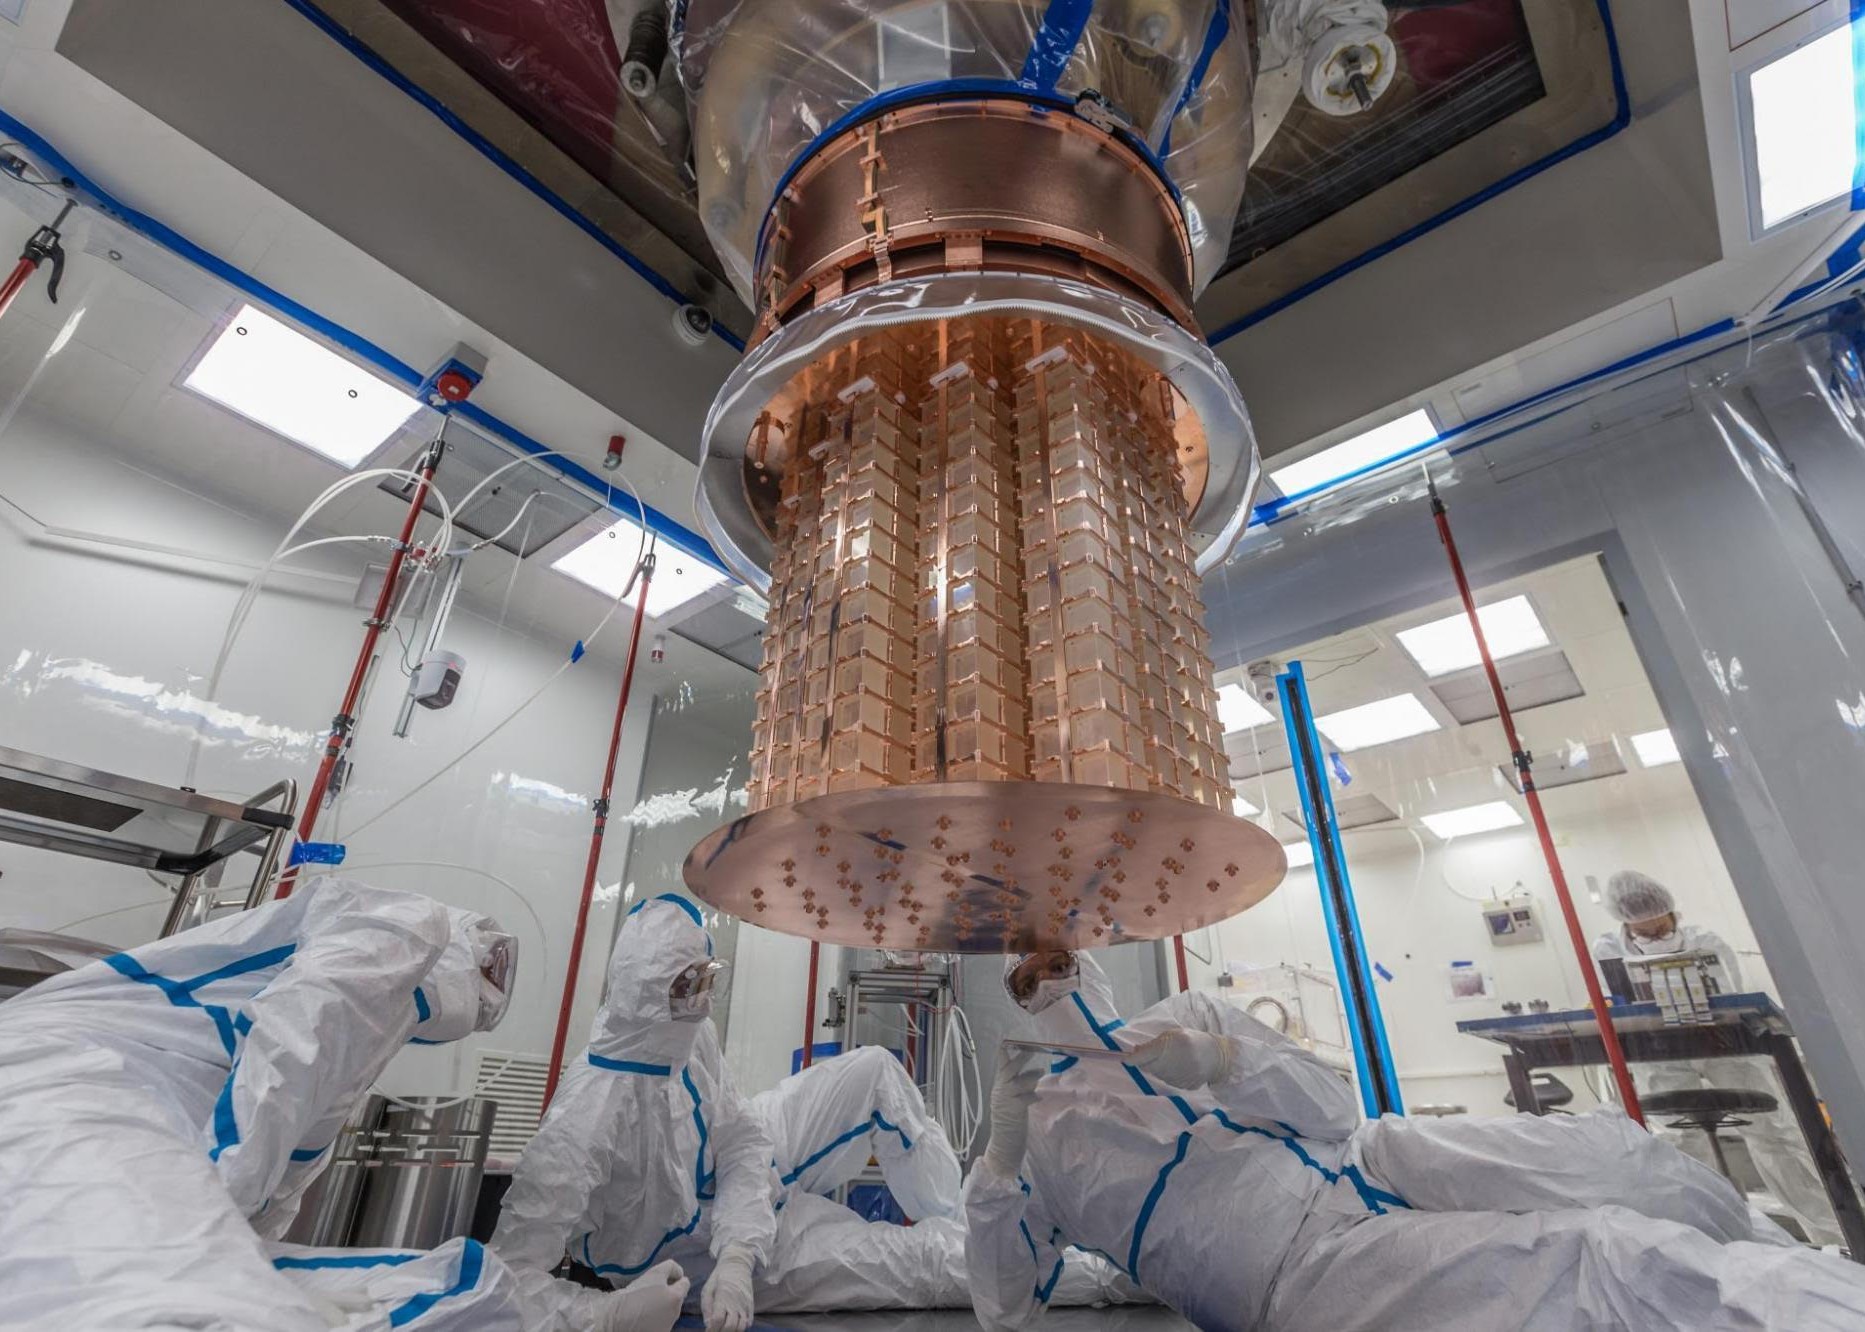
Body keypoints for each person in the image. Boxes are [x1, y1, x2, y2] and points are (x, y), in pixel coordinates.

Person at [967, 948, 1865, 1331]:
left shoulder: (1183, 1015)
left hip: (1373, 1157)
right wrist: (997, 1170)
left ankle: (1789, 1261)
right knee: (1602, 1258)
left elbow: (1332, 1112)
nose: (1047, 974)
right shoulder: (1038, 1139)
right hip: (1304, 1269)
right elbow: (1004, 1309)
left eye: (1055, 952)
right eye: (1024, 966)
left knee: (1619, 1157)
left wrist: (1223, 1059)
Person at [0, 875, 675, 1332]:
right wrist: (221, 1218)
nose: (494, 987)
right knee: (169, 1296)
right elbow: (290, 1062)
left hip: (126, 1110)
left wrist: (596, 1316)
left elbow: (281, 1160)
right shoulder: (406, 927)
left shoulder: (366, 1033)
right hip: (74, 1082)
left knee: (457, 1289)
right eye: (491, 970)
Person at [493, 894, 1137, 1327]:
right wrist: (614, 1314)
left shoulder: (686, 1033)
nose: (705, 1002)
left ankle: (970, 1217)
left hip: (740, 1193)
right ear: (647, 992)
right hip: (691, 1257)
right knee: (922, 1262)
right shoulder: (584, 1120)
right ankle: (1113, 1274)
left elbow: (742, 1140)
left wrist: (738, 1244)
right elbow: (510, 1280)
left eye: (707, 979)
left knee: (875, 1072)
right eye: (691, 987)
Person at [1592, 868, 1841, 1246]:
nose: (1657, 937)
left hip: (1726, 1045)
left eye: (1662, 929)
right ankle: (1703, 1241)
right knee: (1676, 1141)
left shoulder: (1707, 942)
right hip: (1660, 1053)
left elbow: (1733, 997)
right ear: (1626, 925)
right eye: (1646, 934)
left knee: (1775, 1135)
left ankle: (1834, 1236)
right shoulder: (1607, 950)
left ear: (1673, 914)